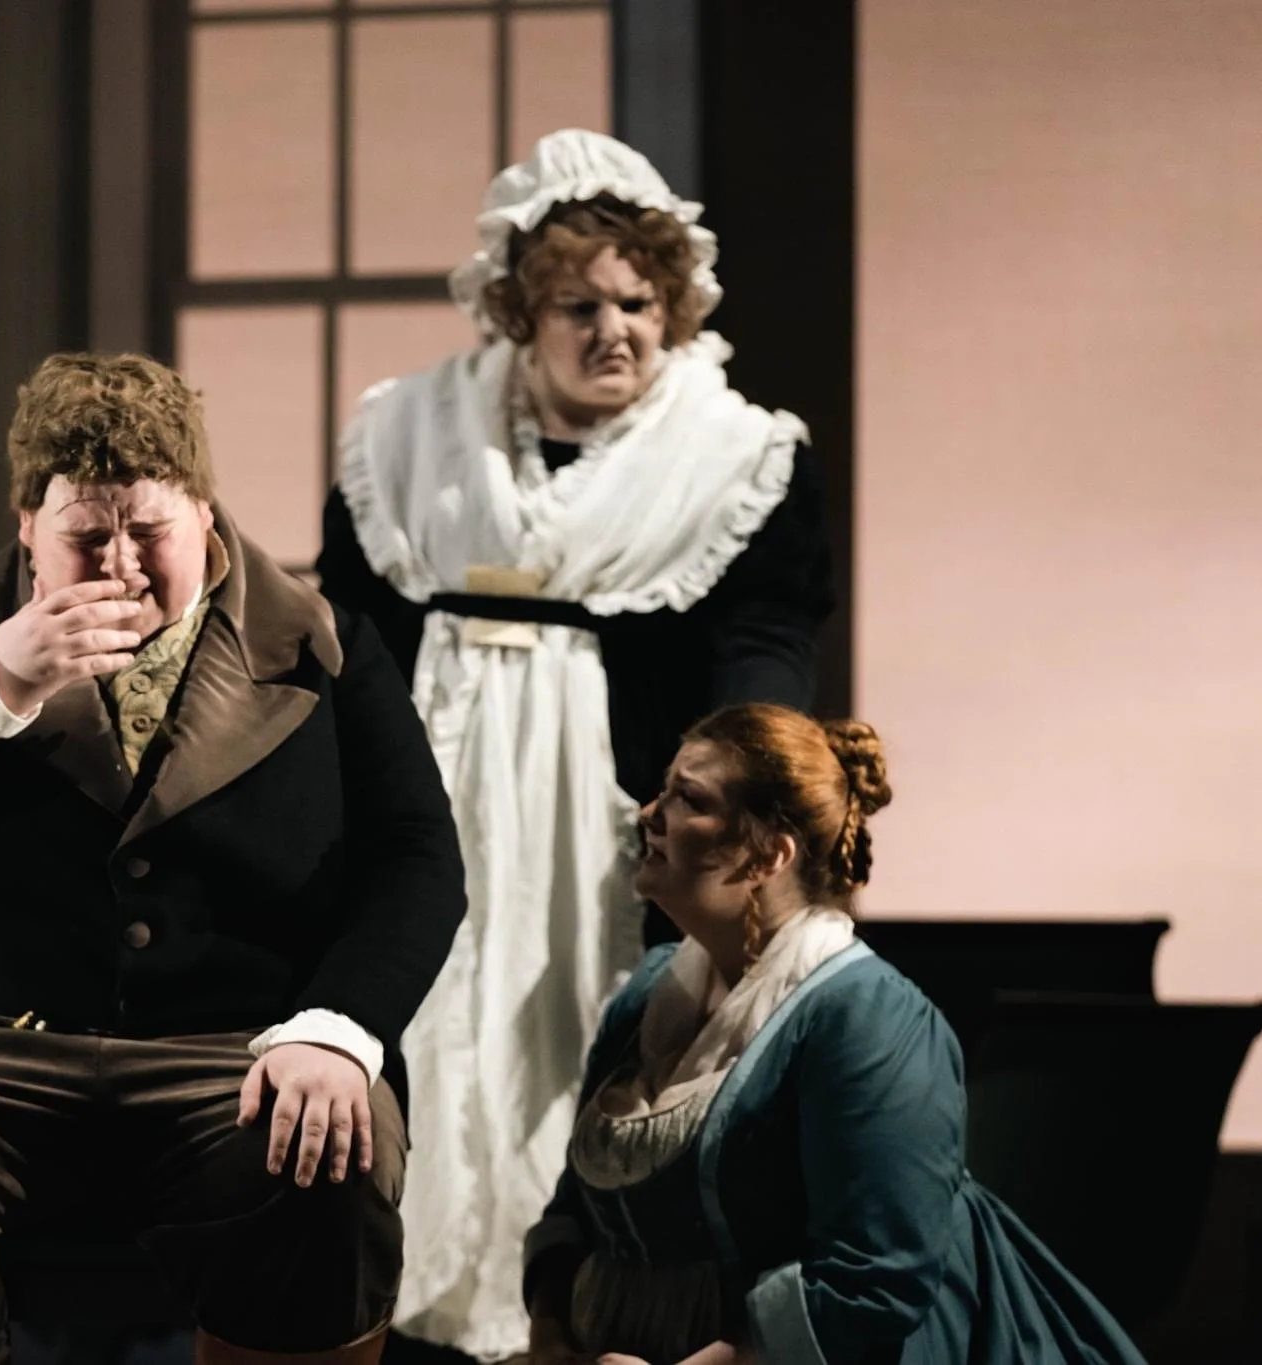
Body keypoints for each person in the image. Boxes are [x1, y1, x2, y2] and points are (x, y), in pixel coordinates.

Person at [0, 353, 467, 1365]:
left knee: (328, 1153)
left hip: (237, 1049)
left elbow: (415, 861)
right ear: (25, 532)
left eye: (152, 532)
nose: (125, 566)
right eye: (87, 538)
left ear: (205, 514)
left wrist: (338, 1025)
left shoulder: (323, 645)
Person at [317, 130, 834, 1359]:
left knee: (599, 1048)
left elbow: (763, 647)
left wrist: (734, 799)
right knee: (422, 1040)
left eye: (638, 302)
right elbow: (349, 642)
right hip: (430, 792)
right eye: (578, 306)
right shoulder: (409, 438)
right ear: (515, 310)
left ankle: (570, 1320)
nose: (616, 331)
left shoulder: (734, 457)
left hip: (624, 816)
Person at [522, 704, 1149, 1365]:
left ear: (769, 852)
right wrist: (554, 1341)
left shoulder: (867, 1015)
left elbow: (872, 1280)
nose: (649, 813)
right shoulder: (650, 994)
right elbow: (579, 1207)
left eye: (688, 798)